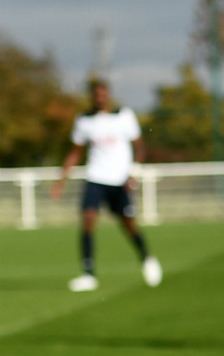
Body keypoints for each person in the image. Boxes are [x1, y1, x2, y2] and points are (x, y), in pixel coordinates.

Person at [53, 78, 162, 292]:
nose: (100, 98)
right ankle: (88, 274)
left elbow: (139, 148)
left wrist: (134, 174)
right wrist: (61, 181)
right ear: (92, 97)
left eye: (103, 94)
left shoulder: (124, 116)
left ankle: (146, 258)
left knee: (128, 224)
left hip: (119, 180)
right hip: (95, 178)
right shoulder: (84, 120)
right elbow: (75, 152)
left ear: (108, 95)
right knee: (88, 219)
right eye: (96, 94)